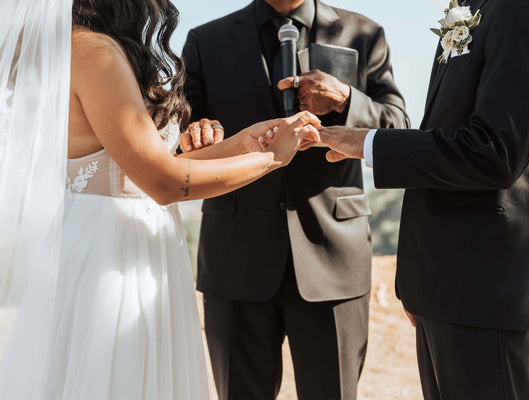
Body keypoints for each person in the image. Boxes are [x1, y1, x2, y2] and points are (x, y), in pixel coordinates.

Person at [0, 0, 320, 398]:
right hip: (115, 258)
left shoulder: (78, 46)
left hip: (107, 240)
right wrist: (272, 158)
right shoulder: (95, 52)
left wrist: (245, 142)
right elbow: (163, 183)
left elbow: (137, 167)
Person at [313, 0, 529, 398]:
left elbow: (492, 152)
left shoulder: (526, 7)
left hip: (485, 288)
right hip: (444, 284)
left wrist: (368, 142)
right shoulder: (476, 8)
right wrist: (421, 278)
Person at [181, 0, 409, 399]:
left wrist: (345, 99)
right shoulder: (206, 41)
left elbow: (399, 128)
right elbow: (181, 136)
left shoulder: (365, 33)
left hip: (335, 259)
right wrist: (195, 130)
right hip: (235, 259)